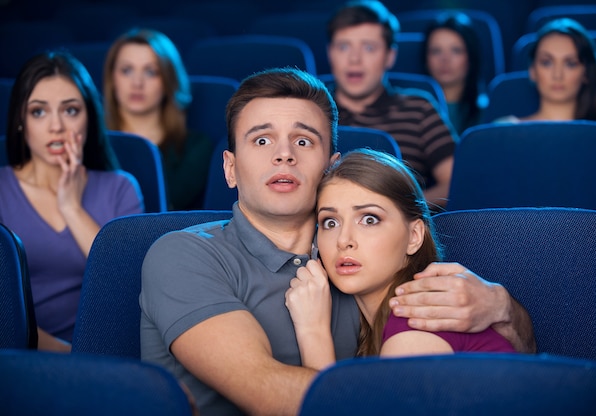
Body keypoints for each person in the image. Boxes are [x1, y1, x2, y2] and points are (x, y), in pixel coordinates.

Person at [140, 67, 534, 416]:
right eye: (261, 141)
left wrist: (503, 309)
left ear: (331, 168)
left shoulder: (358, 266)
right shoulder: (182, 255)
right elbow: (268, 396)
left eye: (304, 141)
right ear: (230, 168)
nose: (283, 155)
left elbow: (506, 361)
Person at [285, 149, 515, 369]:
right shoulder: (384, 324)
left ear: (414, 237)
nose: (343, 240)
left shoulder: (416, 326)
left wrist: (312, 331)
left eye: (369, 219)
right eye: (330, 222)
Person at [0, 51, 144, 351]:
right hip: (19, 356)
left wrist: (71, 207)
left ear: (89, 119)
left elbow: (128, 288)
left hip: (108, 352)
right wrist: (69, 357)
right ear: (20, 122)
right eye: (38, 112)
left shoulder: (121, 188)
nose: (56, 127)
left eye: (70, 110)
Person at [326, 0, 456, 211]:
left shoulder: (419, 109)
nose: (354, 59)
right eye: (343, 46)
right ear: (330, 52)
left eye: (368, 47)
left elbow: (454, 183)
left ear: (390, 56)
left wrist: (398, 209)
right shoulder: (313, 110)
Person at [103, 28, 215, 210]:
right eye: (126, 70)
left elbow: (160, 210)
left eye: (150, 72)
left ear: (168, 80)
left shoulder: (195, 146)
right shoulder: (90, 141)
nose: (137, 83)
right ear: (112, 79)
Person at [495, 18, 596, 123]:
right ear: (533, 70)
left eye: (570, 64)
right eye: (546, 63)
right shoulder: (504, 130)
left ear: (586, 73)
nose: (557, 75)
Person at [423, 12, 483, 135]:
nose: (445, 59)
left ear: (471, 56)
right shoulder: (412, 110)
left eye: (456, 50)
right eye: (436, 51)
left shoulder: (489, 112)